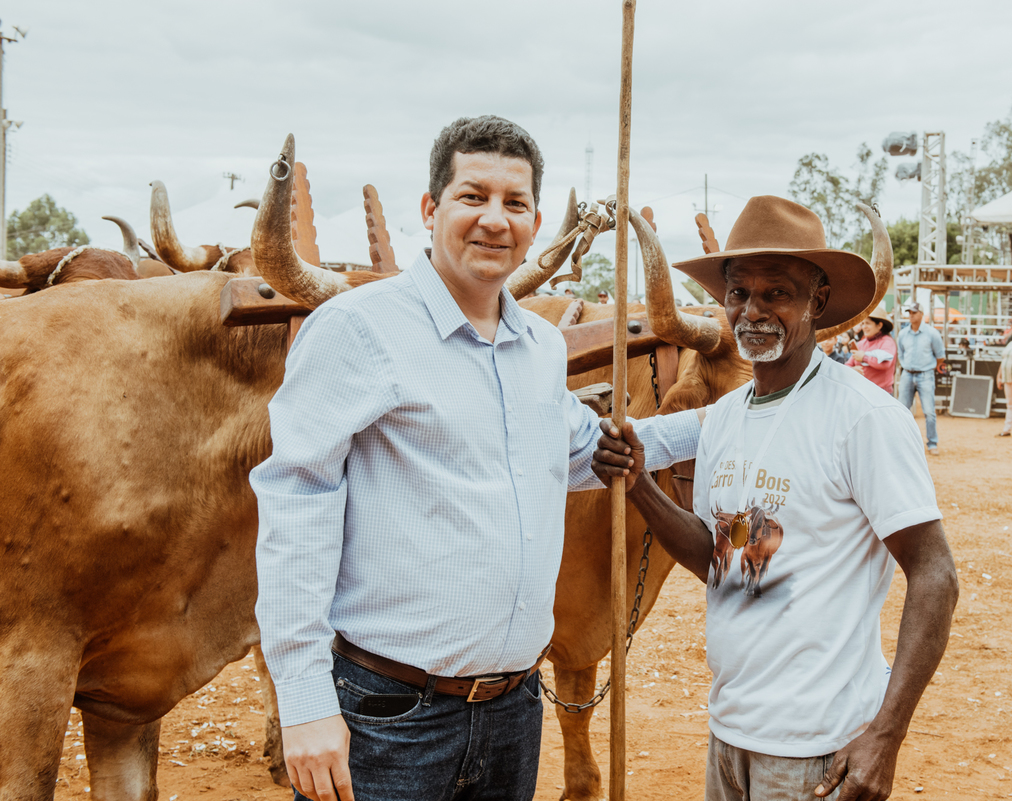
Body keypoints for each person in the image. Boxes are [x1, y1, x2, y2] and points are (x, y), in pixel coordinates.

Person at [251, 115, 703, 801]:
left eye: (514, 202)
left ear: (535, 222)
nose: (495, 219)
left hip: (514, 711)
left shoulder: (540, 348)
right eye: (473, 196)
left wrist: (728, 419)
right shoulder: (356, 328)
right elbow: (295, 503)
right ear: (430, 208)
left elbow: (587, 450)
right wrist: (305, 699)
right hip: (390, 715)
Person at [591, 195, 958, 801]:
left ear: (818, 301)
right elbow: (725, 560)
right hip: (729, 730)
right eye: (739, 293)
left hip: (819, 745)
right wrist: (640, 485)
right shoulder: (724, 418)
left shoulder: (863, 417)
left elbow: (935, 573)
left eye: (777, 293)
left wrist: (885, 736)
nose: (753, 311)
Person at [896, 302, 946, 454]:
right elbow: (900, 353)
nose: (911, 315)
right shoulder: (903, 334)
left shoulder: (932, 333)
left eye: (914, 312)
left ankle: (932, 443)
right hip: (908, 373)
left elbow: (940, 356)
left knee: (929, 411)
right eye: (909, 312)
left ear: (921, 314)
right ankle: (902, 442)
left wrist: (929, 367)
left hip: (925, 374)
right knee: (901, 410)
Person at [848, 302, 897, 395]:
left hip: (882, 393)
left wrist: (864, 358)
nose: (864, 327)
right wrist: (852, 370)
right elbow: (848, 364)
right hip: (862, 392)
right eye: (862, 323)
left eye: (868, 323)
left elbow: (885, 364)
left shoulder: (887, 342)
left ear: (879, 325)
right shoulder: (861, 343)